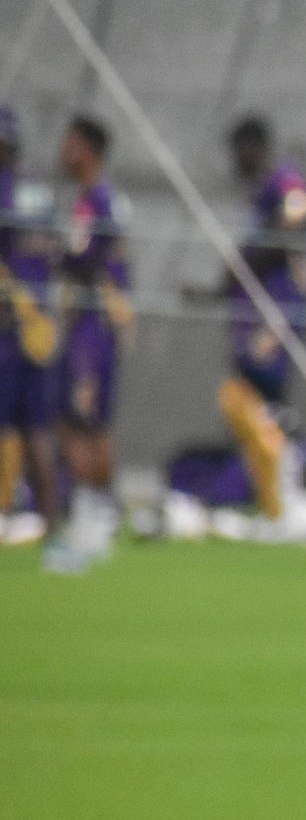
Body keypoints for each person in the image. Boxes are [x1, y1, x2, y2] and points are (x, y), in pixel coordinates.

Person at [211, 114, 306, 535]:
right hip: (254, 312)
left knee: (267, 404)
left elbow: (296, 216)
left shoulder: (283, 181)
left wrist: (256, 252)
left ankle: (286, 500)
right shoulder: (256, 195)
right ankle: (274, 501)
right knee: (249, 404)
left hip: (277, 312)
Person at [45, 113, 132, 573]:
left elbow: (91, 257)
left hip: (94, 323)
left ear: (88, 149)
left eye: (71, 142)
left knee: (79, 418)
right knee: (87, 420)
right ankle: (97, 514)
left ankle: (91, 516)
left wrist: (53, 252)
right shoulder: (91, 199)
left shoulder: (99, 199)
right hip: (89, 320)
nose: (64, 150)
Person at [0, 106, 62, 544]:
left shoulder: (5, 188)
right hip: (39, 327)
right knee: (37, 428)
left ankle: (8, 510)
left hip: (8, 325)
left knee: (10, 426)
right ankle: (51, 522)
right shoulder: (38, 191)